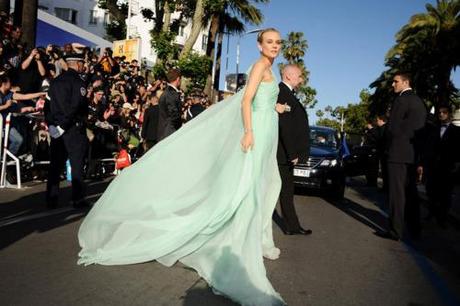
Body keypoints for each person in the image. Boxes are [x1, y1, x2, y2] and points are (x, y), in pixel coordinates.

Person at [78, 28, 286, 306]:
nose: (274, 46)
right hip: (257, 131)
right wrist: (249, 131)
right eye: (269, 42)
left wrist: (275, 109)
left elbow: (261, 99)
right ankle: (244, 241)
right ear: (260, 45)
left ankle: (260, 239)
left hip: (266, 128)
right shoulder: (260, 65)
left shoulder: (270, 67)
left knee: (264, 185)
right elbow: (246, 101)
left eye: (278, 43)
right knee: (249, 188)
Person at [378, 72, 427, 241]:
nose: (393, 84)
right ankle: (415, 229)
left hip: (397, 154)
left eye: (395, 81)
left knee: (397, 194)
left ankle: (395, 231)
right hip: (412, 155)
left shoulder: (401, 100)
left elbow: (392, 127)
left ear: (406, 82)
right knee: (411, 193)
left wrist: (389, 145)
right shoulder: (419, 102)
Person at [45, 53, 89, 209]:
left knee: (55, 165)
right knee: (76, 164)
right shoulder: (78, 82)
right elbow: (75, 107)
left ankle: (52, 198)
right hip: (72, 128)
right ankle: (77, 198)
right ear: (77, 64)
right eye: (82, 63)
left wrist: (51, 124)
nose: (84, 66)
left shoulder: (55, 81)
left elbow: (47, 104)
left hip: (57, 128)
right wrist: (63, 126)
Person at [275, 64, 312, 236]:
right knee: (286, 190)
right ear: (289, 75)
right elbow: (285, 126)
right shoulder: (282, 93)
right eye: (299, 75)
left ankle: (293, 226)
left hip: (285, 154)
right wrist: (292, 153)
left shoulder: (288, 93)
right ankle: (292, 226)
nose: (302, 79)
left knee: (287, 190)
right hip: (284, 154)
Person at [418, 105, 460, 228]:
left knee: (445, 194)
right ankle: (432, 213)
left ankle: (442, 218)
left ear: (449, 114)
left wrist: (457, 164)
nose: (441, 114)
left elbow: (458, 150)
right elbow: (427, 148)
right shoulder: (434, 130)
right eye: (439, 112)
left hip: (448, 168)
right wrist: (422, 164)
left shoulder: (456, 131)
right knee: (431, 192)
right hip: (432, 167)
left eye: (444, 112)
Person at [157, 68, 182, 141]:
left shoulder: (167, 92)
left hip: (165, 131)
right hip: (169, 132)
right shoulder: (171, 94)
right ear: (178, 79)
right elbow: (173, 114)